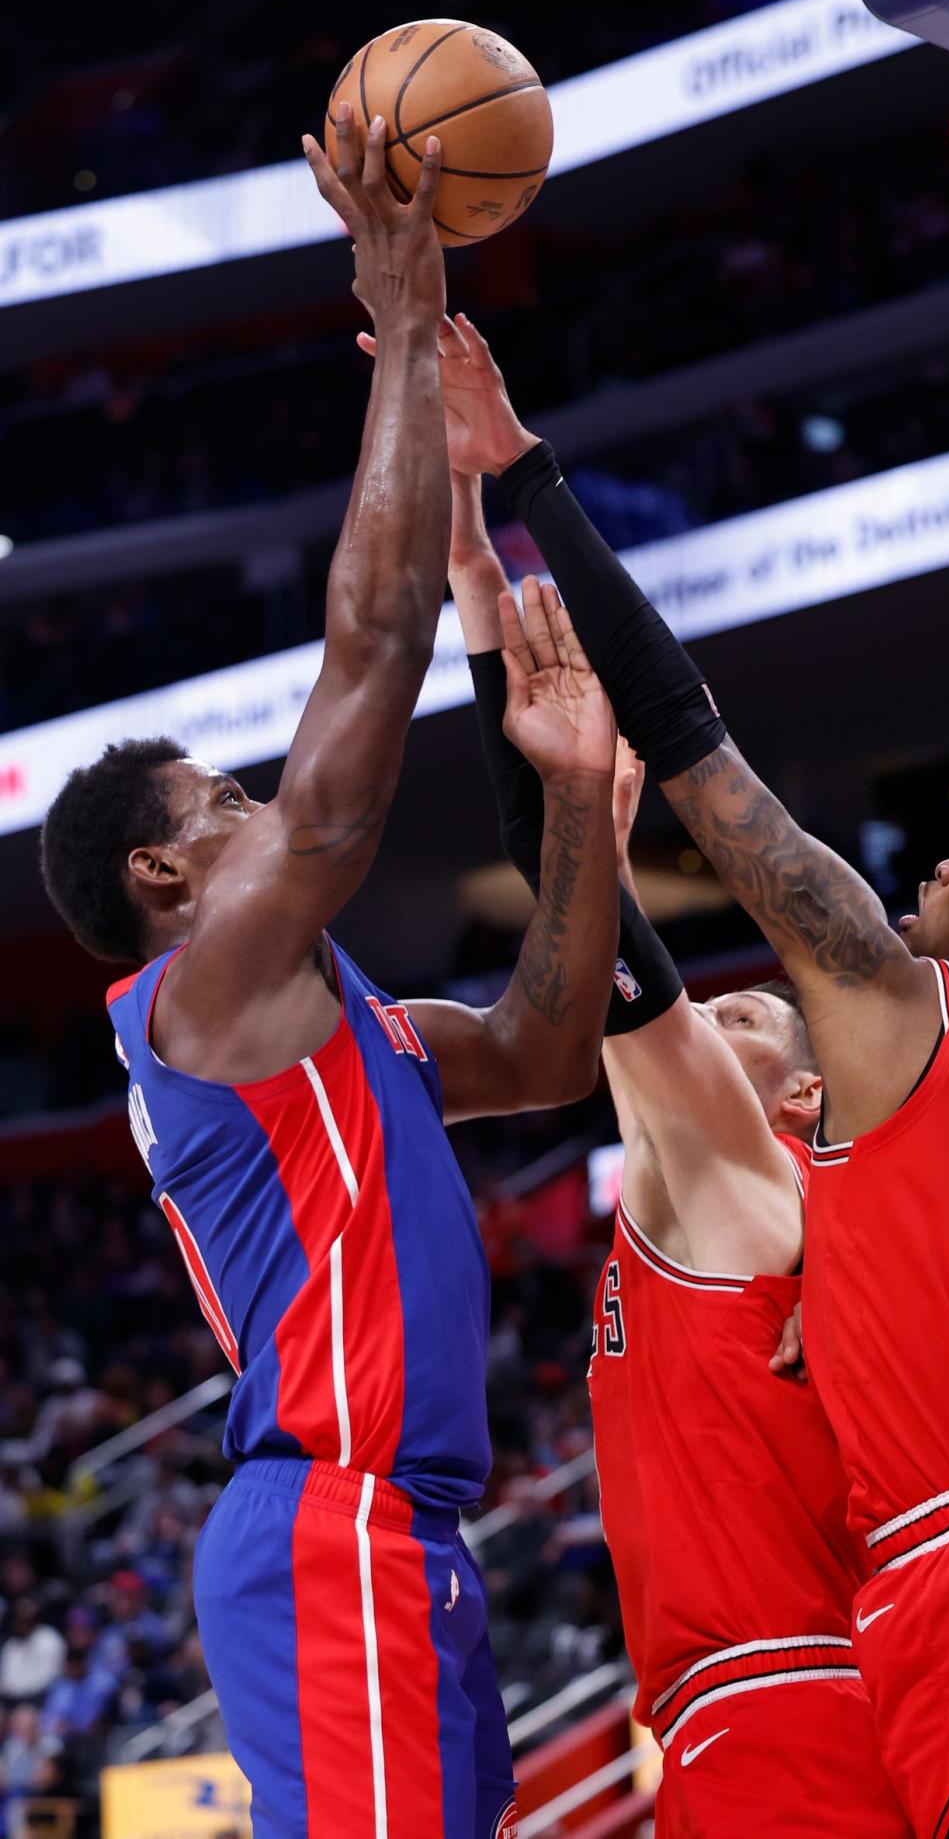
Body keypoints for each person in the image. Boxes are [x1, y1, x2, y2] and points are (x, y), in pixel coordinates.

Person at [433, 312, 949, 1839]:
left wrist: (521, 484)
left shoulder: (879, 1039)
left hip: (906, 1621)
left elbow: (677, 771)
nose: (935, 860)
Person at [38, 111, 619, 1839]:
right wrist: (400, 305)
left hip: (396, 1529)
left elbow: (548, 1041)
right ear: (163, 877)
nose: (266, 806)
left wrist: (580, 794)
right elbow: (364, 675)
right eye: (226, 805)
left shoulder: (339, 1028)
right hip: (330, 1521)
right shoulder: (197, 1004)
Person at [443, 457, 908, 1836]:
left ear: (807, 1107)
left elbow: (619, 970)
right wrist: (474, 589)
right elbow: (599, 959)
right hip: (761, 1701)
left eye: (754, 1015)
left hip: (794, 1696)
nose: (716, 1011)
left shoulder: (752, 1184)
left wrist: (566, 774)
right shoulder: (704, 1178)